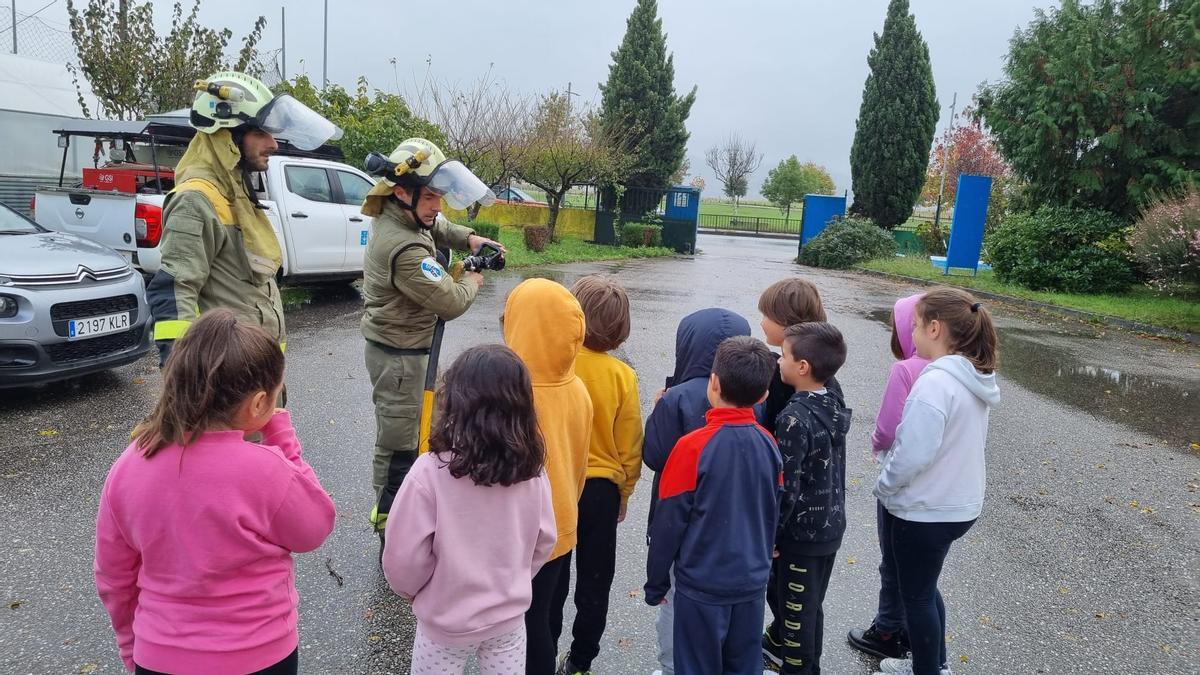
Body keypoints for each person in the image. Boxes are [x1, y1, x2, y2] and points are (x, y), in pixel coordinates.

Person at [94, 309, 335, 674]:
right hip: (260, 654)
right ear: (258, 404)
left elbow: (114, 577)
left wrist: (132, 646)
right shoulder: (265, 470)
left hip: (158, 655)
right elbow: (314, 527)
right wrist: (281, 435)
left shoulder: (129, 466)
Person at [359, 137, 504, 542]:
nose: (437, 206)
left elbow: (438, 226)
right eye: (431, 197)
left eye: (441, 195)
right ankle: (391, 524)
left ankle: (410, 511)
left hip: (409, 348)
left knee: (417, 430)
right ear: (401, 191)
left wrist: (471, 239)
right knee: (400, 440)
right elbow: (451, 301)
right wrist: (472, 277)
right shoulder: (403, 246)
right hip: (400, 358)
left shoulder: (407, 215)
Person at [382, 345, 557, 674]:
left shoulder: (429, 472)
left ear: (455, 403)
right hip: (507, 619)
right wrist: (512, 578)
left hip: (445, 622)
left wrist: (413, 591)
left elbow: (403, 555)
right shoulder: (532, 472)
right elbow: (544, 538)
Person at [147, 71, 342, 366]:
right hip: (225, 387)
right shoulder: (195, 200)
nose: (274, 144)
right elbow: (175, 293)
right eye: (261, 132)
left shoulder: (235, 191)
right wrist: (186, 383)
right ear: (227, 134)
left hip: (253, 381)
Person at [873, 288, 1001, 675]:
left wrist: (886, 483)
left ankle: (927, 671)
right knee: (924, 589)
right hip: (958, 504)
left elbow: (913, 452)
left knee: (916, 597)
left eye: (914, 326)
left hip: (925, 510)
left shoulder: (934, 383)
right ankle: (935, 666)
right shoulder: (973, 376)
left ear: (934, 327)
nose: (910, 334)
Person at [644, 336, 781, 675]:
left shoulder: (691, 448)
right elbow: (773, 508)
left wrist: (657, 581)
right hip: (751, 581)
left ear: (714, 383)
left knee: (695, 664)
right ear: (764, 395)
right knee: (744, 663)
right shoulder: (769, 444)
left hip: (701, 584)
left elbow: (669, 520)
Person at [501, 278, 592, 675]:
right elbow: (581, 462)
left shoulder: (509, 395)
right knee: (544, 613)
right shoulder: (578, 390)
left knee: (519, 623)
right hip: (562, 521)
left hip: (516, 533)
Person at [557, 276, 644, 675]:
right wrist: (624, 492)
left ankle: (540, 646)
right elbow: (630, 444)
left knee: (550, 573)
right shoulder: (623, 377)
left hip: (556, 482)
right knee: (595, 578)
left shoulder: (557, 363)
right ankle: (580, 659)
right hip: (601, 492)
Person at [766, 322, 852, 674]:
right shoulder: (831, 402)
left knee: (795, 613)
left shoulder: (791, 419)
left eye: (784, 356)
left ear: (802, 367)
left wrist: (772, 536)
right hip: (830, 527)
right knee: (810, 605)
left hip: (800, 536)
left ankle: (798, 669)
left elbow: (786, 486)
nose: (779, 363)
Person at [848, 294, 928, 661]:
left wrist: (877, 448)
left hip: (902, 481)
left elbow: (887, 428)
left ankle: (886, 629)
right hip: (938, 490)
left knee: (893, 561)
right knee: (922, 571)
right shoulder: (960, 366)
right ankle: (915, 632)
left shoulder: (907, 369)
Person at [756, 278, 844, 432]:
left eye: (765, 315)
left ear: (785, 320)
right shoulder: (826, 378)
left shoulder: (771, 369)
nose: (761, 323)